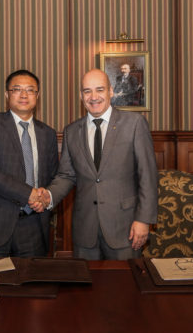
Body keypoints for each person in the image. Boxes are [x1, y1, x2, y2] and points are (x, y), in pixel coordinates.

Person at [31, 69, 158, 260]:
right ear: (81, 96)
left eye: (100, 89)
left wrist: (144, 220)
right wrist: (48, 196)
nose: (94, 97)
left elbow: (147, 176)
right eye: (87, 91)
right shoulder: (72, 131)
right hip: (85, 229)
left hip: (125, 227)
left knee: (125, 279)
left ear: (111, 91)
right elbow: (66, 175)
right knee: (85, 279)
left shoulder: (134, 124)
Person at [0, 70, 59, 257]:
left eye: (30, 90)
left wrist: (45, 198)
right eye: (17, 89)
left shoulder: (47, 133)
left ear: (37, 95)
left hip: (34, 224)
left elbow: (53, 175)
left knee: (32, 276)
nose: (24, 95)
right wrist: (28, 193)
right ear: (7, 94)